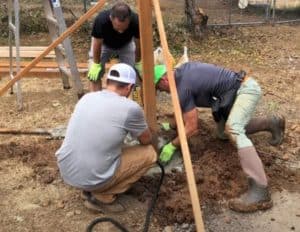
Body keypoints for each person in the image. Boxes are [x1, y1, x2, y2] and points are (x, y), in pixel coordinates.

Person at [153, 62, 285, 213]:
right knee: (223, 134)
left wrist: (172, 145)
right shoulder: (182, 71)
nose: (164, 93)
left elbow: (192, 127)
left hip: (246, 90)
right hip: (228, 96)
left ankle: (260, 190)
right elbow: (183, 110)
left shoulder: (182, 88)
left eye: (160, 89)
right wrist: (173, 126)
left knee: (234, 129)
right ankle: (272, 122)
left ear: (164, 81)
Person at [56, 63, 156, 213]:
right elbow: (146, 140)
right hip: (91, 176)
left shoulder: (87, 98)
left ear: (107, 82)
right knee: (150, 153)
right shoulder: (131, 108)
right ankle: (102, 196)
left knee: (114, 144)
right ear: (129, 88)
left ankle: (89, 187)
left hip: (67, 170)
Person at [88, 1, 141, 91]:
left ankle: (133, 102)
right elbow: (97, 43)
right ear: (111, 18)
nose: (121, 31)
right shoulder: (101, 20)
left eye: (124, 27)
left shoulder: (135, 20)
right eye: (117, 27)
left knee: (134, 74)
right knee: (94, 75)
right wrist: (96, 64)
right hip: (104, 45)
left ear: (129, 19)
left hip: (126, 45)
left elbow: (138, 43)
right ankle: (97, 101)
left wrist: (138, 61)